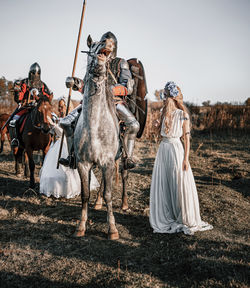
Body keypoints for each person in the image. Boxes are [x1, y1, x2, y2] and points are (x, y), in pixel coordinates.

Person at [58, 31, 140, 169]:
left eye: (110, 44)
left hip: (113, 101)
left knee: (133, 125)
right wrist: (76, 83)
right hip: (91, 102)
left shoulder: (121, 63)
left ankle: (128, 157)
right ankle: (72, 156)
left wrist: (109, 90)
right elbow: (86, 86)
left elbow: (128, 86)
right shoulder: (94, 62)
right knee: (66, 123)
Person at [149, 82, 213, 235]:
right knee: (165, 181)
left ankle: (183, 215)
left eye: (165, 96)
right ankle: (167, 214)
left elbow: (187, 139)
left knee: (178, 180)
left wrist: (186, 159)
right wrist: (156, 125)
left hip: (176, 149)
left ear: (171, 97)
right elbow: (160, 134)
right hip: (164, 149)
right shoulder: (163, 113)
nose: (163, 99)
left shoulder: (182, 114)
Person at [39, 96, 99, 199]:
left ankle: (69, 188)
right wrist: (51, 128)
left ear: (67, 106)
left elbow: (64, 133)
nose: (60, 109)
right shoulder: (58, 117)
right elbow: (55, 133)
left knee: (68, 172)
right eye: (59, 107)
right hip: (57, 145)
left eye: (62, 107)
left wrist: (54, 125)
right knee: (50, 171)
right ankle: (53, 189)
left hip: (68, 145)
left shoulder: (72, 118)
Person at [9, 62, 53, 147]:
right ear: (30, 73)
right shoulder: (24, 82)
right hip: (26, 107)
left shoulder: (42, 85)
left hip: (39, 108)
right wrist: (18, 93)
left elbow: (46, 97)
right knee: (14, 120)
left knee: (52, 119)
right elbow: (19, 98)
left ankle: (52, 140)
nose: (35, 75)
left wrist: (42, 99)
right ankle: (16, 139)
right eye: (33, 73)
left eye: (37, 73)